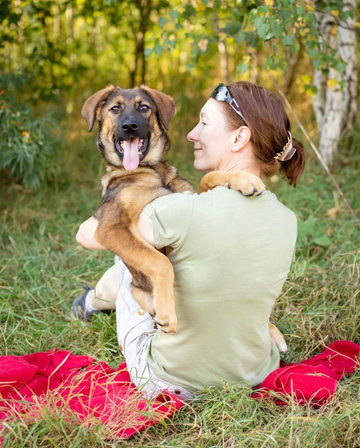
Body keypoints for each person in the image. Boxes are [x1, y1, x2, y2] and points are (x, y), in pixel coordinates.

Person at [73, 81, 305, 400]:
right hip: (254, 372)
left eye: (204, 123)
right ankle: (96, 301)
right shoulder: (287, 220)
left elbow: (90, 234)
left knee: (128, 246)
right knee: (181, 246)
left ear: (239, 137)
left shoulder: (182, 212)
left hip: (170, 380)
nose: (191, 134)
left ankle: (90, 302)